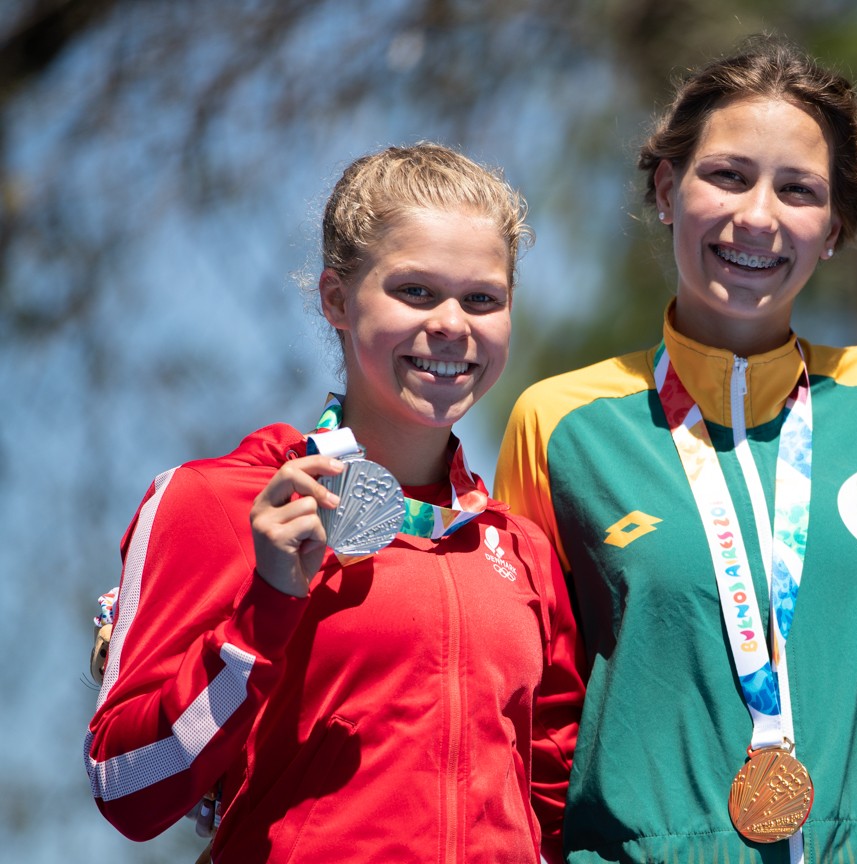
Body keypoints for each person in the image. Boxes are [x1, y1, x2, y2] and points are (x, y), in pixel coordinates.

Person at [494, 36, 857, 864]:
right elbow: (527, 699)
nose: (759, 216)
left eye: (798, 191)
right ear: (667, 188)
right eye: (728, 175)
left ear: (834, 228)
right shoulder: (561, 422)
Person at [84, 143, 583, 863]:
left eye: (482, 298)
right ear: (336, 299)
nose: (451, 324)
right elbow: (124, 787)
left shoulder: (518, 548)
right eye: (414, 291)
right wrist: (262, 612)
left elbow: (554, 810)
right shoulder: (220, 502)